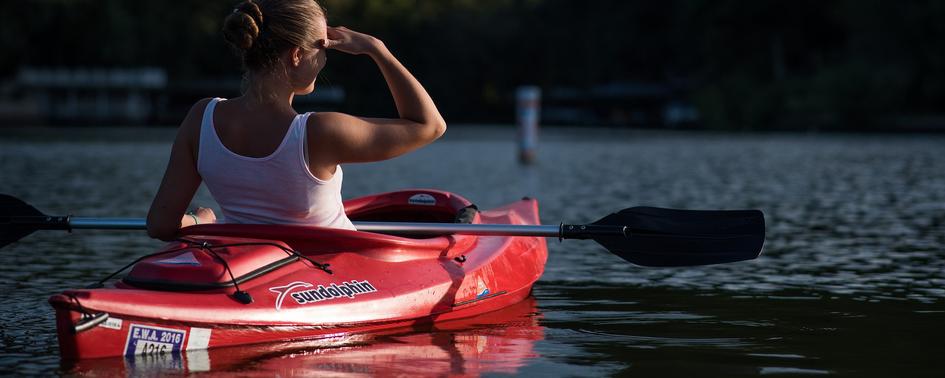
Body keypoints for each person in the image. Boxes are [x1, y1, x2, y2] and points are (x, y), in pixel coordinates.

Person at [146, 0, 446, 241]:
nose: (326, 58)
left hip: (251, 272)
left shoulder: (201, 117)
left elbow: (161, 225)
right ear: (297, 56)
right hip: (331, 281)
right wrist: (377, 49)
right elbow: (430, 126)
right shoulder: (319, 132)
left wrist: (200, 221)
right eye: (323, 47)